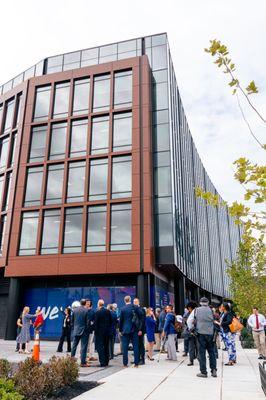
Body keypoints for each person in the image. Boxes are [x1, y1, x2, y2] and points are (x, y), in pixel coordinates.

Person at [194, 297, 217, 378]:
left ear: (200, 302)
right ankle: (213, 370)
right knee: (211, 352)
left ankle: (203, 372)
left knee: (202, 353)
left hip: (200, 333)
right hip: (210, 333)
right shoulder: (212, 310)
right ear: (207, 302)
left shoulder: (197, 310)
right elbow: (215, 320)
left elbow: (191, 321)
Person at [119, 295, 141, 367]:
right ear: (130, 300)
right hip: (134, 329)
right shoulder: (135, 307)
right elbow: (140, 318)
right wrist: (139, 329)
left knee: (125, 347)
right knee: (135, 346)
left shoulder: (122, 309)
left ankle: (125, 364)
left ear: (124, 300)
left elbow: (121, 321)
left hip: (125, 330)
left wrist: (120, 330)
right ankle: (136, 363)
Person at [71, 299, 90, 367]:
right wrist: (87, 330)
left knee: (74, 346)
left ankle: (71, 360)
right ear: (85, 304)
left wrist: (74, 329)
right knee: (83, 347)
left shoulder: (75, 310)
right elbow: (87, 323)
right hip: (84, 331)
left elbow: (72, 321)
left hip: (76, 330)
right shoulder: (86, 311)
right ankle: (82, 362)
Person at [94, 299, 112, 367]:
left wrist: (96, 332)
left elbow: (96, 324)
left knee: (100, 347)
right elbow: (110, 321)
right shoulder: (108, 311)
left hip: (99, 333)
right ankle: (107, 361)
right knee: (106, 346)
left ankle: (102, 362)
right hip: (107, 332)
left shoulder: (97, 312)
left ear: (98, 304)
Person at [133, 298, 146, 365]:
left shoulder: (142, 309)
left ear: (138, 302)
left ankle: (142, 359)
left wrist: (140, 330)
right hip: (135, 330)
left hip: (140, 330)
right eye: (134, 302)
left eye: (136, 302)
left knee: (141, 344)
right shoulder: (134, 309)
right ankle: (137, 359)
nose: (134, 303)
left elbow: (142, 321)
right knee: (136, 345)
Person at [186, 301, 198, 366]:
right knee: (192, 346)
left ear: (190, 307)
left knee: (195, 346)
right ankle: (192, 359)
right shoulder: (190, 313)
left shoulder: (195, 312)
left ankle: (194, 359)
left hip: (195, 331)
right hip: (192, 332)